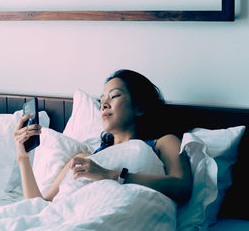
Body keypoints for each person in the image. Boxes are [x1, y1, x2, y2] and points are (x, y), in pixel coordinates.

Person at [13, 69, 192, 204]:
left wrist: (110, 175)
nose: (104, 104)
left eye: (114, 96)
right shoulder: (83, 161)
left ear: (140, 107)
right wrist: (23, 157)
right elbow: (38, 206)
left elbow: (182, 187)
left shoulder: (163, 143)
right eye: (101, 100)